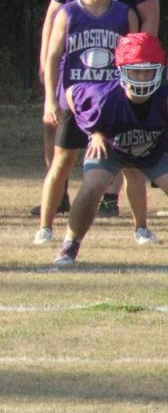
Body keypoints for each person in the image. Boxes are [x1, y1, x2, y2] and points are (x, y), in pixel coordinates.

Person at [35, 0, 159, 220]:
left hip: (118, 66)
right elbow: (53, 16)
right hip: (74, 66)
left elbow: (149, 19)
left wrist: (139, 64)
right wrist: (44, 58)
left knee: (117, 132)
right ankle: (59, 195)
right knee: (55, 128)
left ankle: (108, 198)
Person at [56, 33, 167, 265]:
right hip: (111, 147)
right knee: (93, 186)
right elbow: (71, 94)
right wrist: (93, 131)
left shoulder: (163, 98)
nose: (143, 77)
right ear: (122, 70)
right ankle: (70, 244)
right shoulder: (102, 95)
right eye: (136, 71)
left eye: (148, 71)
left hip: (152, 151)